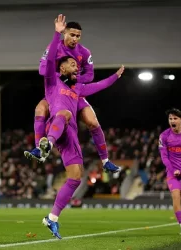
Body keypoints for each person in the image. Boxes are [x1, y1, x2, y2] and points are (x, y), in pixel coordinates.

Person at [26, 14, 125, 239]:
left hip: (69, 133)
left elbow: (97, 83)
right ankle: (43, 145)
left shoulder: (78, 85)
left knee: (75, 177)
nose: (76, 65)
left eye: (79, 36)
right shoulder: (52, 81)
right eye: (72, 34)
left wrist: (115, 77)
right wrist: (55, 33)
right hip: (58, 123)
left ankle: (51, 218)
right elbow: (48, 63)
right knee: (52, 111)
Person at [30, 19, 120, 173]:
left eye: (78, 36)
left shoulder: (84, 52)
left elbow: (90, 75)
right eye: (72, 35)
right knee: (40, 109)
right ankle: (39, 149)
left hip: (75, 93)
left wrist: (75, 81)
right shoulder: (54, 47)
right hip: (57, 91)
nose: (75, 39)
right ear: (64, 33)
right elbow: (42, 69)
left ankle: (105, 161)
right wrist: (61, 78)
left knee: (92, 122)